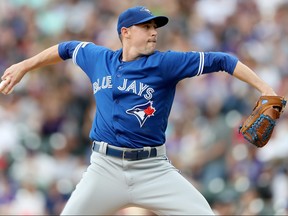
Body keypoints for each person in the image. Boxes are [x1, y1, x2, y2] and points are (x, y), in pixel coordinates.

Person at [0, 5, 278, 215]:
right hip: (104, 169)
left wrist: (265, 88)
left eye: (155, 27)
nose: (154, 32)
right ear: (126, 32)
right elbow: (66, 48)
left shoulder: (165, 64)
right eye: (146, 27)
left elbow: (222, 60)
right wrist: (25, 65)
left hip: (152, 169)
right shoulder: (99, 59)